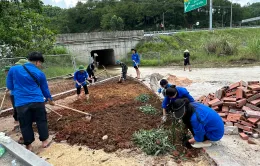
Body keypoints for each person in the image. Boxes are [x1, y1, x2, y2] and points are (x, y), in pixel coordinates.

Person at [6, 52, 54, 151]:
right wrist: (50, 100)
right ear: (37, 62)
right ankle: (44, 142)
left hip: (21, 103)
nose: (40, 65)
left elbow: (10, 86)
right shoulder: (40, 73)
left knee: (25, 123)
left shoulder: (13, 69)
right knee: (41, 121)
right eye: (40, 63)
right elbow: (45, 89)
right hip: (37, 101)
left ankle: (29, 146)